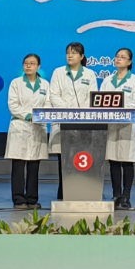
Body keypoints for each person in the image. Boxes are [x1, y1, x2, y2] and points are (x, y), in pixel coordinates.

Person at [49, 42, 98, 201]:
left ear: (82, 56)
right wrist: (68, 112)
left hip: (83, 123)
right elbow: (54, 95)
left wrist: (80, 114)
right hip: (63, 121)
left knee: (81, 158)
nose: (70, 55)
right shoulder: (58, 72)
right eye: (68, 52)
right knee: (64, 159)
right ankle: (63, 193)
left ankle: (81, 191)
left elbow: (93, 97)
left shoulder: (89, 74)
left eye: (74, 53)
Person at [6, 53, 50, 209]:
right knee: (18, 165)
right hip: (20, 126)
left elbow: (49, 103)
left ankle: (32, 199)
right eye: (26, 63)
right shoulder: (16, 83)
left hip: (37, 127)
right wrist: (28, 115)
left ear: (38, 66)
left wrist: (40, 116)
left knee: (34, 165)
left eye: (32, 63)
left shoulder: (45, 84)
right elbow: (13, 105)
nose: (28, 66)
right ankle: (18, 199)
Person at [102, 48, 135, 209]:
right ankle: (116, 195)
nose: (119, 59)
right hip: (111, 124)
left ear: (129, 62)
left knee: (127, 161)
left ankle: (126, 196)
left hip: (127, 124)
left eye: (123, 57)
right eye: (117, 56)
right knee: (113, 161)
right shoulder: (107, 80)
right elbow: (100, 100)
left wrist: (121, 111)